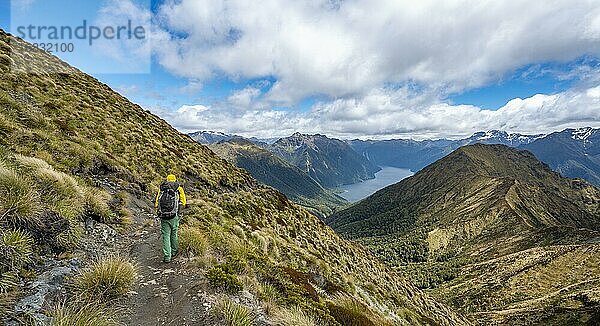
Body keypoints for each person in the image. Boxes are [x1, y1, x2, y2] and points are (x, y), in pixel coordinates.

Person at [155, 174, 186, 263]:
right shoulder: (178, 188)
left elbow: (157, 203)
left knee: (166, 235)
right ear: (175, 180)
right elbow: (183, 201)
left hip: (163, 216)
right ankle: (174, 251)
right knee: (174, 233)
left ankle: (167, 257)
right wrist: (179, 211)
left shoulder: (162, 188)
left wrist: (160, 212)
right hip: (174, 215)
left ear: (167, 179)